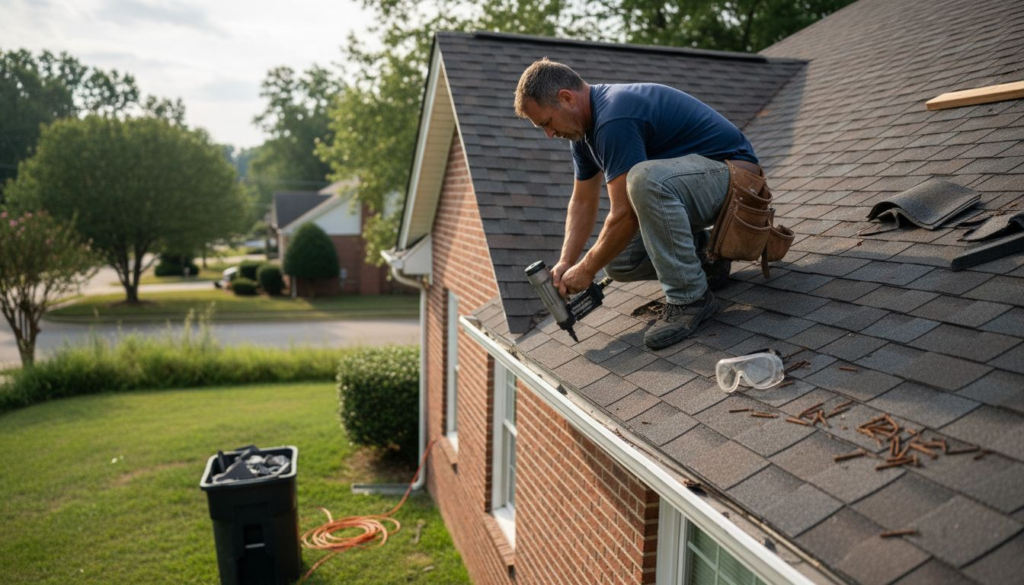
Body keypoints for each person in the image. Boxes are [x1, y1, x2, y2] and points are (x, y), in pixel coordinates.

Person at [514, 58, 763, 350]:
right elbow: (582, 201)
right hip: (700, 187)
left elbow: (625, 214)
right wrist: (568, 261)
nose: (549, 134)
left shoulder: (613, 118)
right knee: (619, 261)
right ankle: (706, 261)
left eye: (546, 122)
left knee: (643, 179)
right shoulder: (582, 135)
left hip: (739, 181)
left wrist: (586, 269)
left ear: (566, 98)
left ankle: (691, 299)